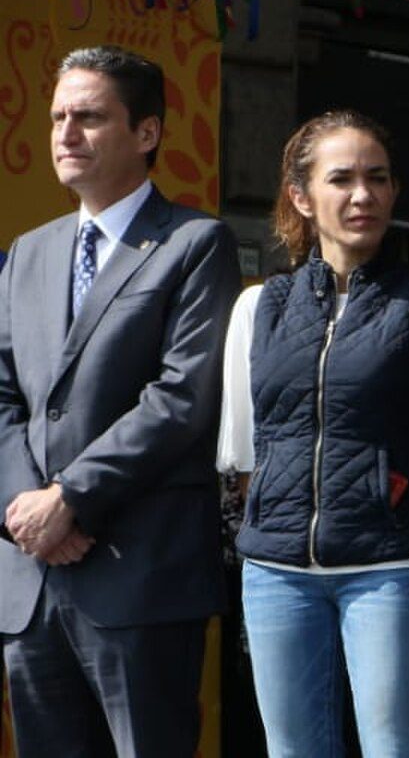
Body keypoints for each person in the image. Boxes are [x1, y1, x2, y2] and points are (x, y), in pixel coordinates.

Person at [217, 111, 409, 756]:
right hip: (276, 572)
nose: (361, 194)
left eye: (377, 178)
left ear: (395, 192)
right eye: (340, 179)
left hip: (393, 570)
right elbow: (244, 459)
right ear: (302, 196)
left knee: (395, 747)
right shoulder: (257, 308)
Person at [0, 45, 241, 755]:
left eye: (89, 117)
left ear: (146, 132)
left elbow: (182, 395)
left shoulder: (195, 243)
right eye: (57, 118)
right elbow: (4, 393)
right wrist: (27, 510)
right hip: (34, 578)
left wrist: (72, 496)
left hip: (140, 575)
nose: (66, 134)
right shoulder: (28, 252)